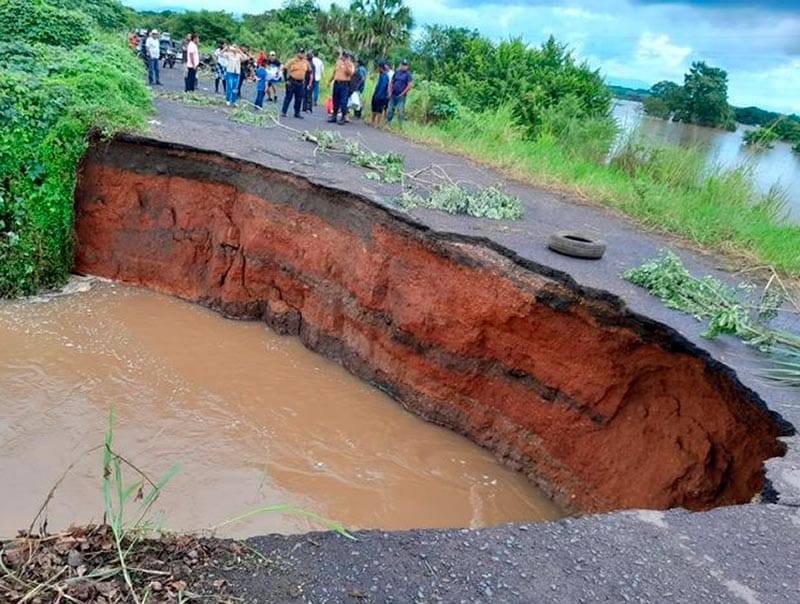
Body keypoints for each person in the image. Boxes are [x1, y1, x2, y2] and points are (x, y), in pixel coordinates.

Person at [281, 47, 311, 119]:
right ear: (297, 53)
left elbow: (309, 72)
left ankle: (297, 113)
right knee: (288, 97)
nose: (302, 54)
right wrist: (286, 80)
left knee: (299, 98)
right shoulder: (292, 61)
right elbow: (285, 69)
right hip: (292, 81)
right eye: (300, 53)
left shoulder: (306, 62)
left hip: (300, 83)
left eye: (303, 53)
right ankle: (284, 111)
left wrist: (306, 82)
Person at [328, 50, 354, 125]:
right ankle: (334, 116)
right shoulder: (338, 62)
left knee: (343, 102)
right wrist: (330, 81)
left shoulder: (350, 64)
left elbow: (350, 73)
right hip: (337, 83)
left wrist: (346, 64)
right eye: (343, 55)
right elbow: (334, 72)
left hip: (344, 84)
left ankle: (343, 117)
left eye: (346, 56)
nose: (343, 57)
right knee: (335, 100)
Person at [387, 58, 413, 124]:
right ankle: (388, 122)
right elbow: (391, 82)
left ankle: (401, 125)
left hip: (401, 96)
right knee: (390, 109)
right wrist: (389, 91)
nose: (404, 66)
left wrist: (402, 93)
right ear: (400, 65)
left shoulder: (408, 74)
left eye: (405, 65)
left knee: (400, 110)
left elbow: (409, 85)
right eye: (403, 65)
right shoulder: (396, 72)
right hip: (393, 94)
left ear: (407, 66)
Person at [370, 61, 390, 127]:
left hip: (381, 95)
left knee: (379, 109)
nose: (377, 69)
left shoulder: (384, 76)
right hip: (377, 94)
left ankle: (377, 123)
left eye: (378, 67)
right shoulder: (381, 75)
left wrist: (378, 95)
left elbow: (383, 86)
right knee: (374, 108)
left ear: (381, 68)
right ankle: (372, 122)